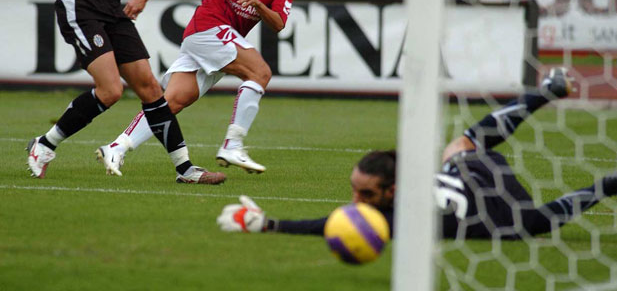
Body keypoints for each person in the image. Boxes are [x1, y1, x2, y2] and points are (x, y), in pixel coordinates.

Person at [217, 68, 617, 238]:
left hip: (506, 214)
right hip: (480, 175)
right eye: (356, 191)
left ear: (391, 191)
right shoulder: (399, 196)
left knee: (537, 222)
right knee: (461, 146)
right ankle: (546, 92)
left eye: (366, 193)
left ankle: (609, 183)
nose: (356, 201)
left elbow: (328, 224)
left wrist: (270, 225)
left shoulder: (399, 221)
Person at [15, 0, 224, 185]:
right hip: (78, 5)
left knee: (150, 87)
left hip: (108, 1)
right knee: (110, 90)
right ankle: (46, 144)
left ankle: (186, 169)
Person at [98, 0, 295, 175]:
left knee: (171, 102)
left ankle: (117, 146)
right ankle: (233, 145)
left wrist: (258, 4)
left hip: (217, 42)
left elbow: (278, 23)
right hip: (207, 29)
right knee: (260, 73)